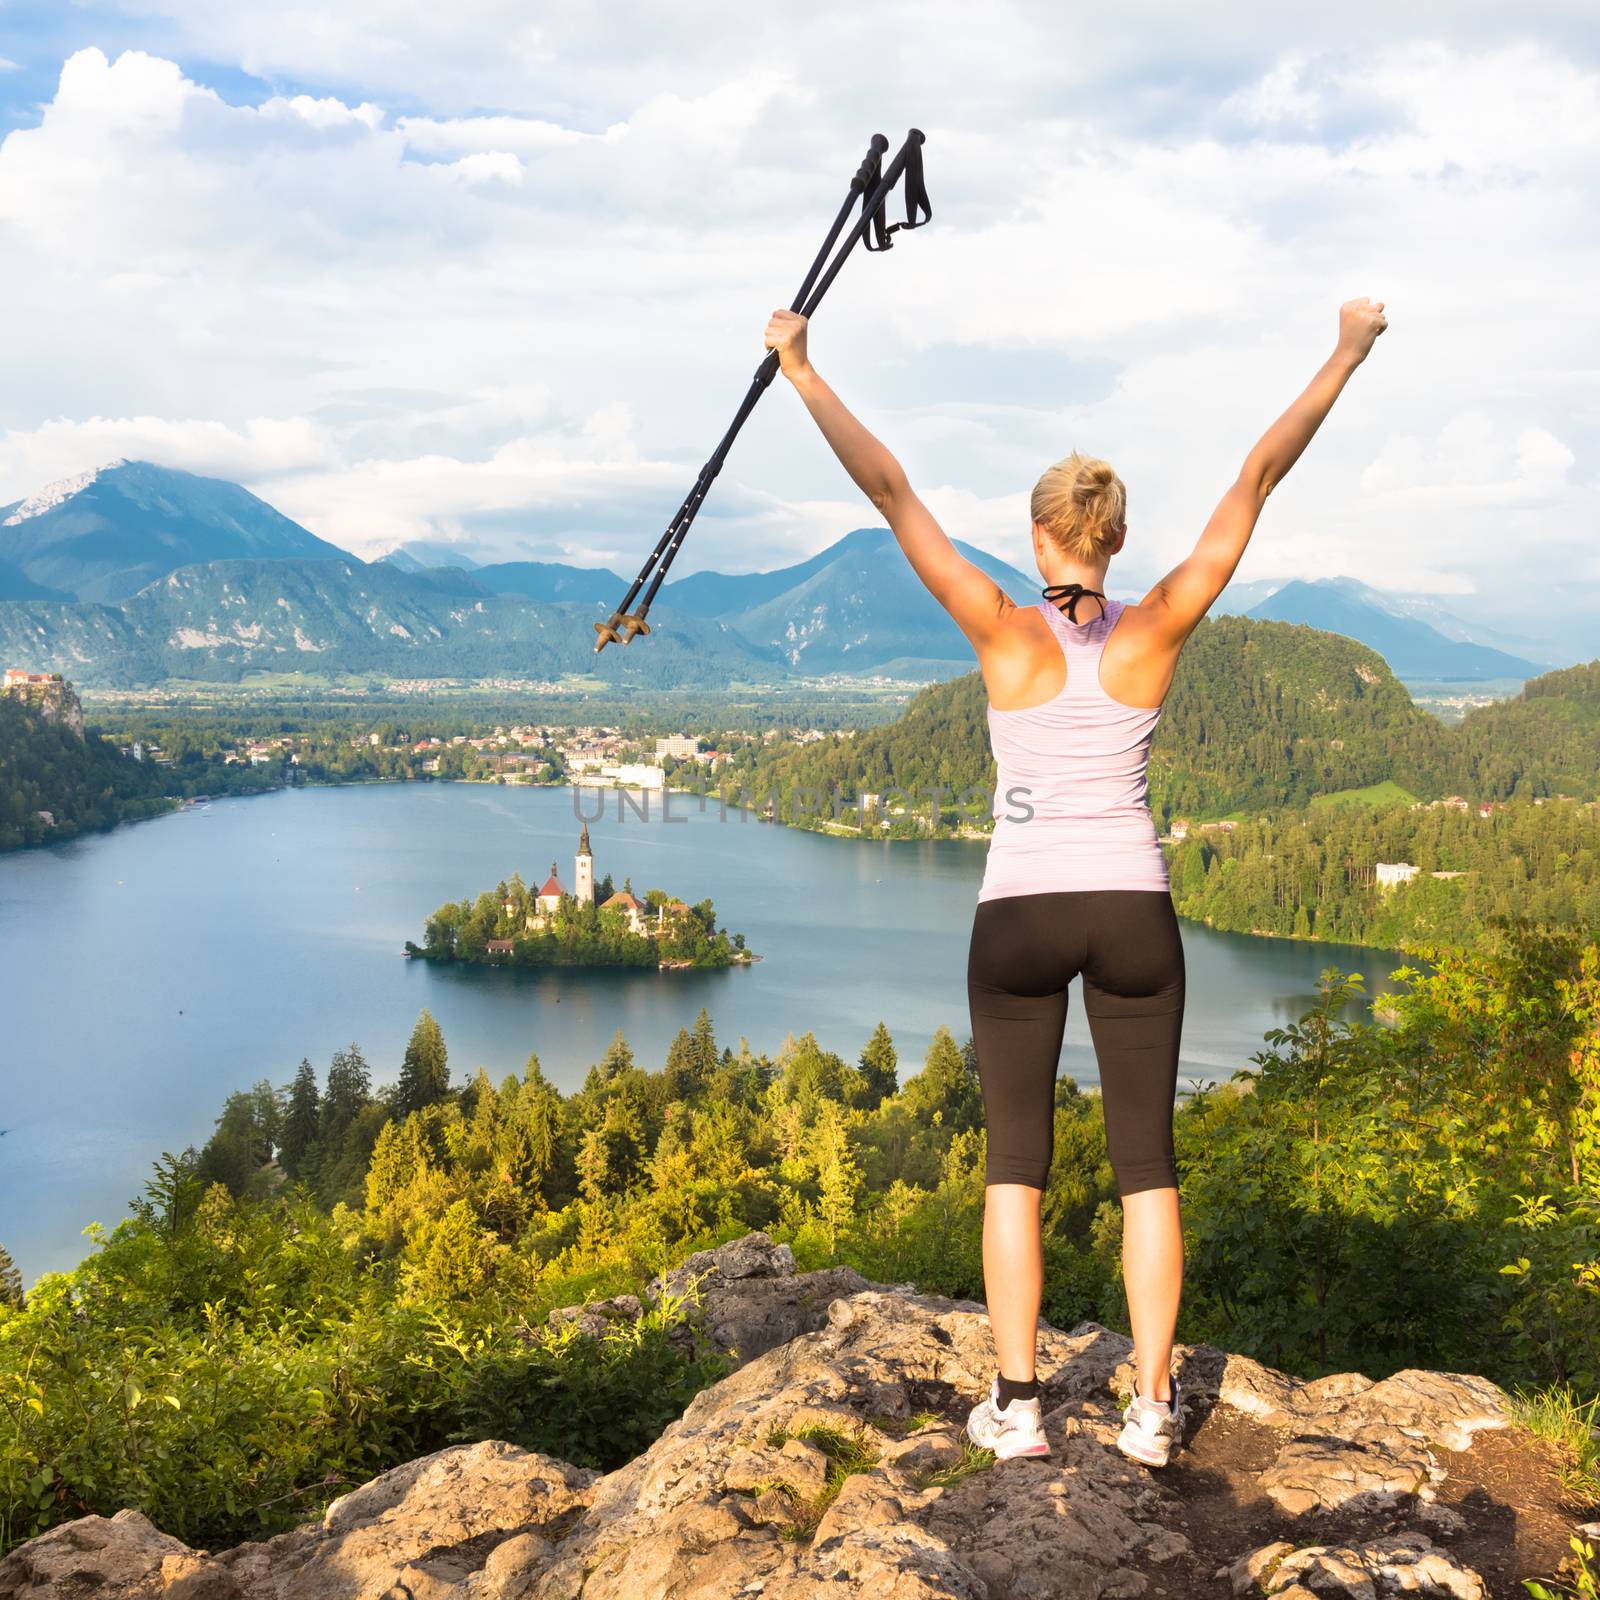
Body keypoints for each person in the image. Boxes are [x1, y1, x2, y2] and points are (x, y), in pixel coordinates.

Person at [763, 295, 1388, 1468]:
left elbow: (890, 492)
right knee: (1147, 1165)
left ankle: (1017, 1403)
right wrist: (1344, 352)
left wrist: (800, 368)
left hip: (1019, 912)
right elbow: (1256, 477)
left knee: (1016, 1163)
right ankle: (1151, 1409)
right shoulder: (1153, 629)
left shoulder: (1001, 630)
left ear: (1043, 536)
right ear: (1110, 539)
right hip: (1135, 910)